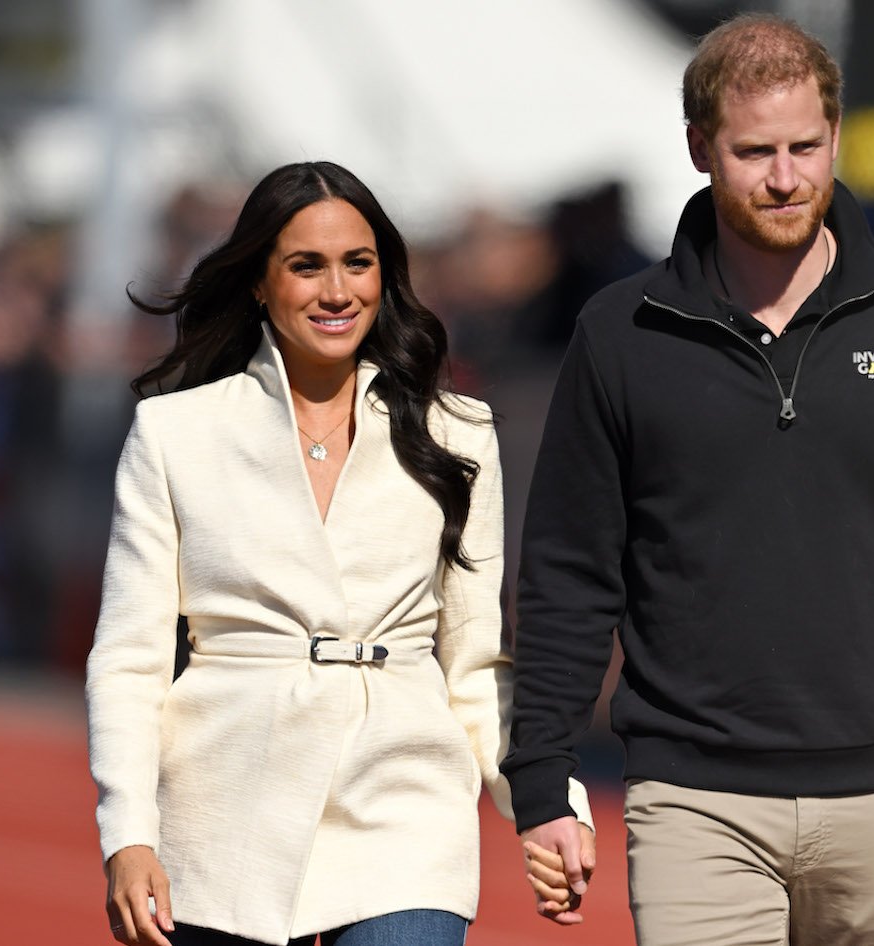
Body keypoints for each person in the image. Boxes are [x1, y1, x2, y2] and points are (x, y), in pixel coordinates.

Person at [502, 14, 874, 946]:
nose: (785, 177)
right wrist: (543, 770)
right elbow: (570, 568)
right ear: (700, 149)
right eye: (755, 151)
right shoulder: (620, 334)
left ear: (836, 137)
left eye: (807, 146)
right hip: (691, 796)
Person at [85, 161, 592, 946]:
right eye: (306, 265)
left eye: (358, 263)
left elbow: (475, 661)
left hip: (405, 811)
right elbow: (130, 659)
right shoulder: (174, 434)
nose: (337, 291)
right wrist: (129, 833)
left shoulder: (457, 433)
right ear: (258, 280)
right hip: (225, 813)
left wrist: (544, 800)